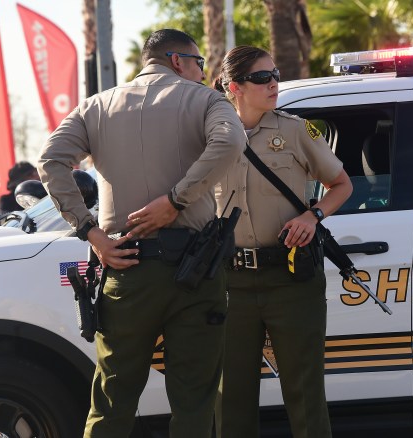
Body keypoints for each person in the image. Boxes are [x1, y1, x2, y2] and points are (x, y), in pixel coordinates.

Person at [38, 29, 246, 438]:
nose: (202, 73)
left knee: (113, 399)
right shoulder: (205, 100)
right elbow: (231, 140)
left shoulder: (96, 106)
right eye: (199, 63)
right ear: (177, 60)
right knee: (195, 400)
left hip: (126, 267)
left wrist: (92, 234)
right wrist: (177, 201)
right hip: (195, 270)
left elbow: (50, 162)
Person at [213, 46, 353, 438]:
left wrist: (314, 215)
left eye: (275, 75)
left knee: (305, 394)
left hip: (291, 279)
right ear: (234, 87)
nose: (273, 83)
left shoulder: (295, 130)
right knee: (231, 397)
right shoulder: (211, 136)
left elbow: (341, 184)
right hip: (231, 282)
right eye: (262, 78)